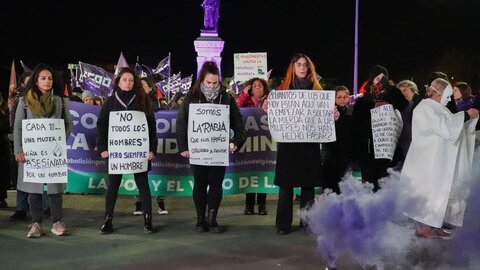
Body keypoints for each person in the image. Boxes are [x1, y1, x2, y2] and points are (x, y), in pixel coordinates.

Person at [400, 78, 479, 238]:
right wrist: (466, 114)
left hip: (436, 158)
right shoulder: (426, 107)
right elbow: (446, 128)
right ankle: (423, 227)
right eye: (448, 96)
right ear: (439, 93)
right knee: (428, 192)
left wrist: (470, 120)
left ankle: (434, 225)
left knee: (436, 192)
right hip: (428, 160)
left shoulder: (437, 107)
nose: (449, 100)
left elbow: (452, 124)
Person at [176, 61, 246, 233]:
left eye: (215, 83)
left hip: (218, 150)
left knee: (216, 184)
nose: (213, 86)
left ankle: (212, 218)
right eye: (209, 82)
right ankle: (200, 219)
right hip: (197, 150)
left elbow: (239, 123)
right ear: (202, 80)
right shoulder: (190, 97)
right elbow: (181, 123)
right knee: (200, 183)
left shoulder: (226, 97)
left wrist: (236, 142)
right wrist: (183, 146)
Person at [13, 63, 73, 237]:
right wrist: (19, 149)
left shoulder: (60, 100)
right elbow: (18, 127)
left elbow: (68, 123)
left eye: (50, 78)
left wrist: (60, 140)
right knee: (34, 188)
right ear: (36, 80)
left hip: (53, 153)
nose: (47, 81)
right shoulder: (24, 101)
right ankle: (36, 224)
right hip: (31, 153)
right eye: (43, 78)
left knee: (55, 188)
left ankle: (57, 222)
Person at [96, 67, 158, 234]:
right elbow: (101, 125)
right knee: (113, 186)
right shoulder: (110, 101)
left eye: (131, 80)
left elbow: (151, 126)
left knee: (143, 185)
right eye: (125, 79)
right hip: (116, 153)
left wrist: (152, 149)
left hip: (139, 151)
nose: (128, 83)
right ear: (118, 81)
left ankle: (147, 219)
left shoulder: (143, 99)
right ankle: (108, 219)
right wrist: (102, 148)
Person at [272, 53, 325, 235]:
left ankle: (307, 224)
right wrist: (268, 108)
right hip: (288, 145)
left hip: (309, 145)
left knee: (308, 186)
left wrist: (334, 115)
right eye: (299, 65)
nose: (302, 68)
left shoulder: (318, 92)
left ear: (309, 68)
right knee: (286, 186)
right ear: (292, 68)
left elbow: (324, 118)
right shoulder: (281, 91)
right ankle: (283, 224)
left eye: (305, 65)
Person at [351, 65, 407, 192]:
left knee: (386, 189)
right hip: (369, 154)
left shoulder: (391, 97)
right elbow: (356, 127)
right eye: (377, 78)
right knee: (369, 189)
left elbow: (403, 105)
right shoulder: (362, 101)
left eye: (383, 78)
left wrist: (391, 88)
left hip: (388, 153)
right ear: (371, 80)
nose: (380, 81)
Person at [132, 76, 168, 216]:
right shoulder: (133, 103)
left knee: (157, 174)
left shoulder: (157, 104)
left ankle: (160, 203)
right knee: (138, 175)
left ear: (150, 88)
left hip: (152, 145)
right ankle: (139, 204)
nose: (140, 89)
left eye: (143, 86)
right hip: (136, 146)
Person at [236, 77, 269, 215]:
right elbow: (236, 107)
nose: (257, 88)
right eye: (254, 86)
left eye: (260, 86)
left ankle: (262, 205)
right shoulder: (246, 101)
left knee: (263, 173)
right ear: (250, 88)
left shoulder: (270, 100)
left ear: (264, 88)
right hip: (249, 142)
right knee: (250, 172)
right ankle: (249, 205)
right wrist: (244, 94)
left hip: (265, 142)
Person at [320, 86, 352, 194]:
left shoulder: (351, 113)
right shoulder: (326, 112)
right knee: (329, 191)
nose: (342, 100)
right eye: (339, 97)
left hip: (345, 158)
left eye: (345, 97)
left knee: (343, 192)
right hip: (330, 159)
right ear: (334, 98)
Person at [396, 80, 423, 162]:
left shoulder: (422, 105)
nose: (402, 93)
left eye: (405, 90)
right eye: (400, 91)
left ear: (413, 91)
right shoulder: (397, 107)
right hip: (402, 142)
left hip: (417, 142)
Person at [0, 94, 10, 208]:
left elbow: (7, 127)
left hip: (2, 147)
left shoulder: (4, 111)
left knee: (3, 174)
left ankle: (2, 198)